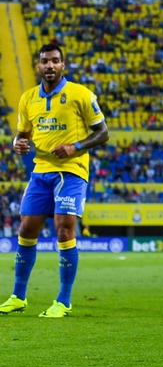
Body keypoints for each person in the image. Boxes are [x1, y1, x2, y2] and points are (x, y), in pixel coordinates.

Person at [0, 43, 109, 318]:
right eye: (45, 61)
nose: (50, 65)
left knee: (63, 229)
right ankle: (18, 296)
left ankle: (63, 300)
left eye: (55, 61)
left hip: (72, 170)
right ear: (39, 66)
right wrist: (17, 143)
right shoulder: (28, 98)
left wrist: (75, 146)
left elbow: (103, 132)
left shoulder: (81, 94)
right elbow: (22, 134)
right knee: (26, 229)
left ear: (63, 65)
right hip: (41, 171)